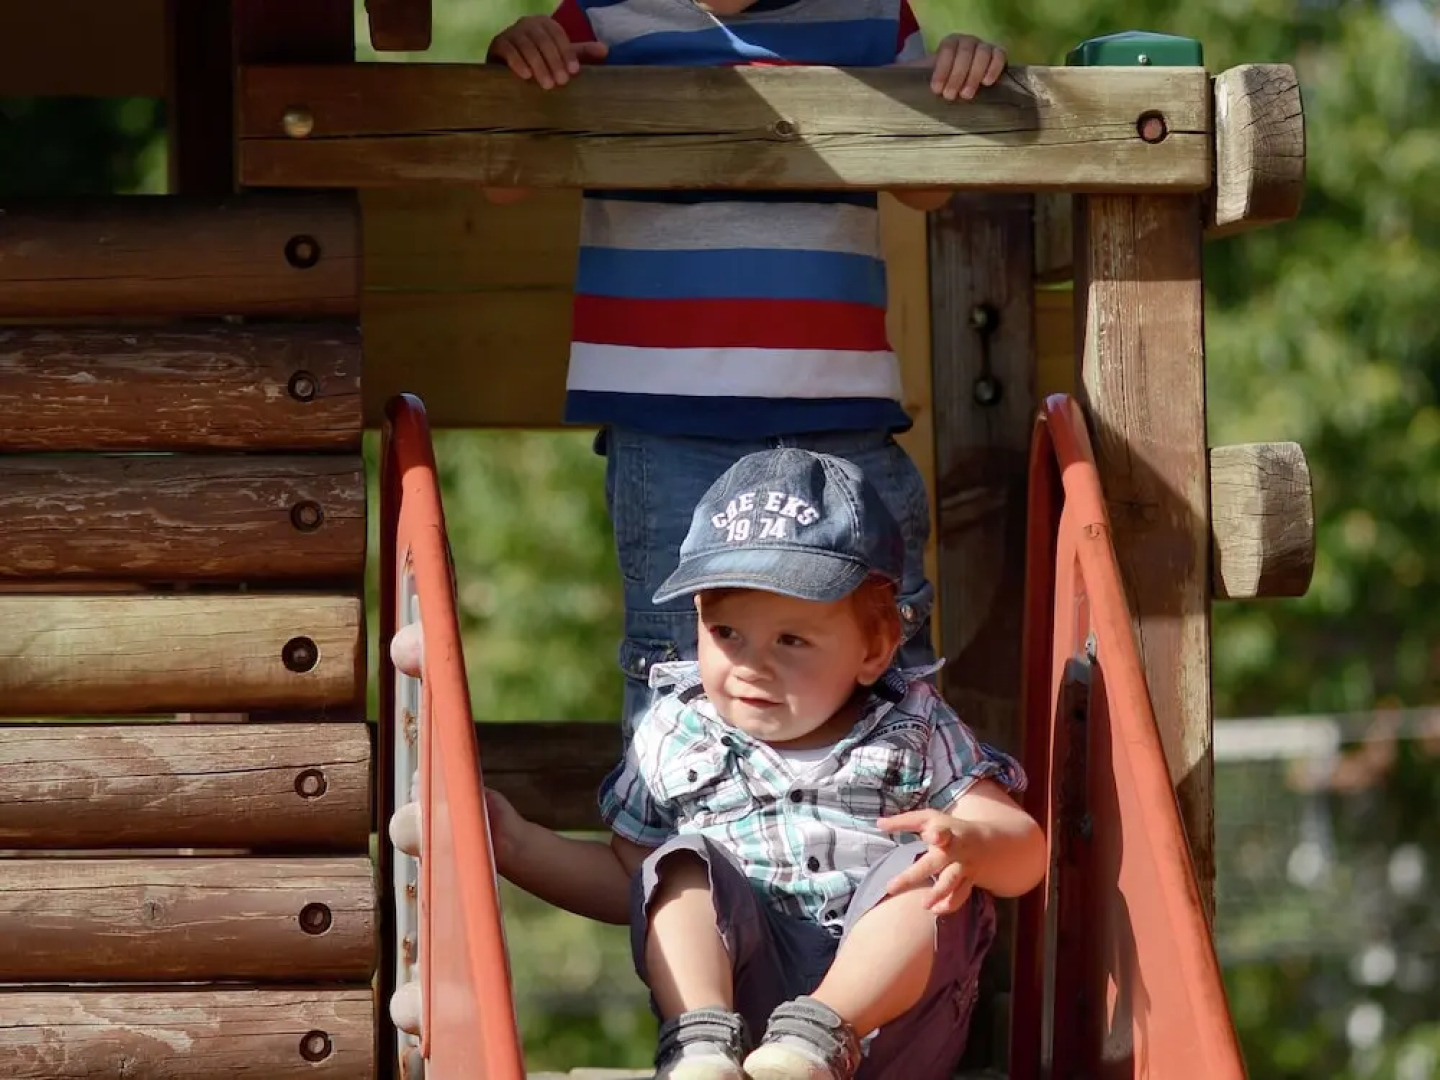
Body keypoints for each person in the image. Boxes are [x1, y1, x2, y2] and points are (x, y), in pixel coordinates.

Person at [483, 1, 1009, 737]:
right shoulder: (604, 14)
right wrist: (517, 59)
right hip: (668, 413)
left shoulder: (868, 12)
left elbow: (927, 185)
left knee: (875, 646)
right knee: (677, 656)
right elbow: (502, 177)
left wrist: (954, 77)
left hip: (837, 405)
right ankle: (676, 846)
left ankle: (886, 826)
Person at [484, 448, 1046, 1080]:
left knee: (919, 876)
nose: (751, 665)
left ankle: (819, 1035)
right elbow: (628, 879)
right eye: (727, 634)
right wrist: (515, 846)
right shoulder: (676, 729)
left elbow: (1025, 852)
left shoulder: (912, 725)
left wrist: (968, 843)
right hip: (744, 1020)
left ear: (876, 647)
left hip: (896, 1024)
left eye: (791, 640)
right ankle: (700, 1043)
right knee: (680, 866)